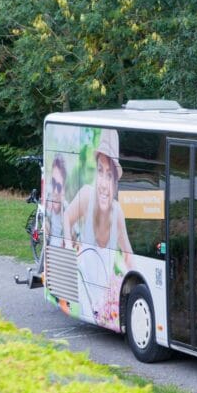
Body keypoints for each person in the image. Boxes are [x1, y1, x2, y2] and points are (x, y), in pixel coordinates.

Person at [63, 128, 134, 328]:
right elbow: (67, 217)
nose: (103, 183)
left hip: (104, 302)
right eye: (100, 172)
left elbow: (129, 255)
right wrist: (69, 247)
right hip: (83, 292)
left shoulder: (118, 213)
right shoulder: (86, 195)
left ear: (115, 182)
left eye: (109, 175)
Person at [45, 154, 68, 247]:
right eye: (53, 183)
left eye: (59, 186)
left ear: (64, 188)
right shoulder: (48, 204)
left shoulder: (68, 210)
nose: (55, 191)